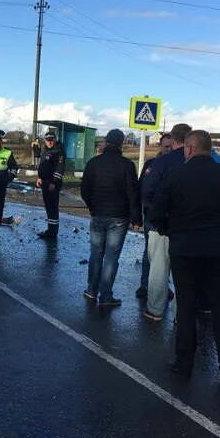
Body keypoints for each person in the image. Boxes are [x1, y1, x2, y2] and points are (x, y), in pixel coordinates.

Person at [148, 130, 220, 381]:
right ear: (209, 148)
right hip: (217, 250)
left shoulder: (176, 176)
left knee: (186, 307)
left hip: (183, 250)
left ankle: (184, 364)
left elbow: (155, 215)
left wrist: (171, 230)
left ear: (189, 149)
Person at [80, 129, 141, 307]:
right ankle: (106, 295)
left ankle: (91, 290)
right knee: (111, 257)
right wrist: (136, 218)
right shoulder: (127, 165)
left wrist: (92, 206)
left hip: (97, 214)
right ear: (121, 143)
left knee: (96, 253)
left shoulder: (93, 163)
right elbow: (133, 193)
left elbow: (85, 190)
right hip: (119, 217)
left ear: (106, 142)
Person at [140, 123, 192, 321]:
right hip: (188, 226)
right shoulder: (198, 162)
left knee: (159, 269)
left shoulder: (161, 163)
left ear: (175, 139)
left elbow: (147, 191)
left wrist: (156, 212)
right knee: (184, 273)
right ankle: (181, 314)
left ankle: (155, 310)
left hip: (161, 225)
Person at [136, 133, 173, 298]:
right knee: (149, 253)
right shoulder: (152, 164)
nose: (169, 150)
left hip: (171, 217)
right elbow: (141, 189)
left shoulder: (178, 165)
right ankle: (145, 285)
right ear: (160, 146)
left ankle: (163, 287)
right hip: (152, 215)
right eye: (166, 147)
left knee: (168, 255)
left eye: (171, 147)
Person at [35, 131, 66, 239]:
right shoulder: (46, 150)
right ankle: (50, 230)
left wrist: (54, 182)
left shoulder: (59, 151)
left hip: (52, 183)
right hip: (44, 182)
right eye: (47, 140)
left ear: (55, 139)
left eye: (51, 140)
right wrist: (39, 177)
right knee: (48, 206)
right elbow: (42, 165)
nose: (49, 142)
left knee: (52, 207)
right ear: (45, 140)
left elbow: (60, 169)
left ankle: (52, 232)